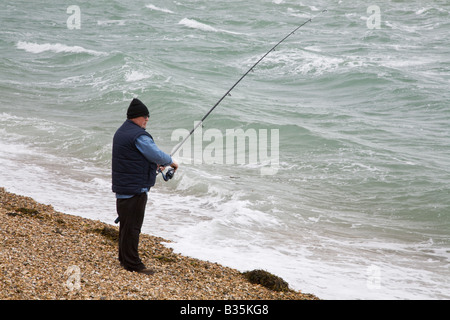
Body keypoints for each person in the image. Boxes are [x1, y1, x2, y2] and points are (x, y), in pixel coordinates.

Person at [112, 98, 178, 275]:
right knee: (132, 228)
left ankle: (124, 259)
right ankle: (133, 264)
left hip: (124, 187)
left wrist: (154, 166)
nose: (147, 119)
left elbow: (134, 159)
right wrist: (171, 162)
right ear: (136, 117)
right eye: (145, 116)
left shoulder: (122, 132)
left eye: (147, 116)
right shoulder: (138, 135)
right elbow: (154, 153)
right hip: (135, 189)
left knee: (126, 226)